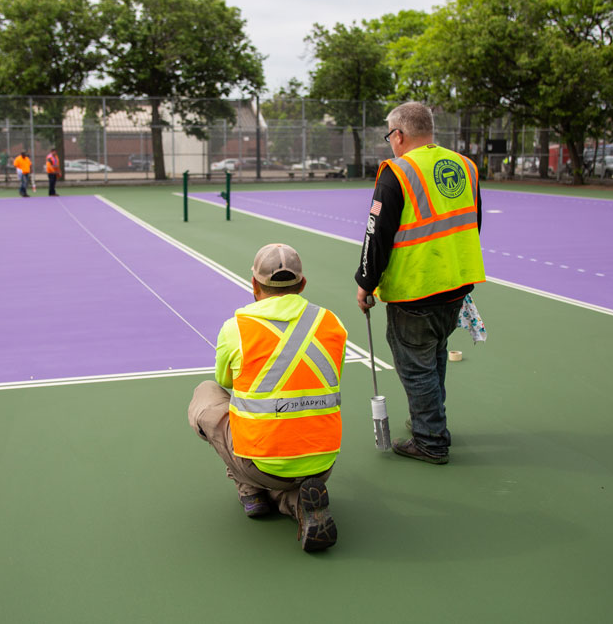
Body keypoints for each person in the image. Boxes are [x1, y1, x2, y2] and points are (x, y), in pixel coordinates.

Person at [189, 243, 348, 552]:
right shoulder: (332, 323)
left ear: (254, 285)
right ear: (302, 284)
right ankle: (297, 503)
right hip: (323, 462)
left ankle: (250, 489)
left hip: (261, 463)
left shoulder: (236, 327)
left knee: (208, 394)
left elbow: (227, 381)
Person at [354, 101, 485, 465]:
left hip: (416, 287)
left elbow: (376, 235)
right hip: (457, 284)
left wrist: (365, 282)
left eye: (389, 136)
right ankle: (432, 423)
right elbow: (474, 224)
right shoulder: (465, 166)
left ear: (398, 135)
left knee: (415, 365)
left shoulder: (397, 172)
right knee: (435, 354)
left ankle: (430, 439)